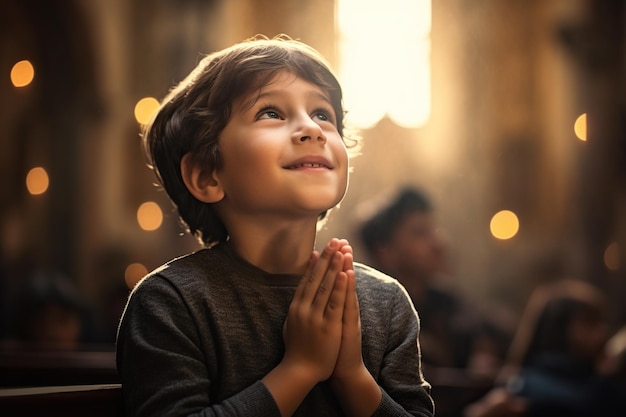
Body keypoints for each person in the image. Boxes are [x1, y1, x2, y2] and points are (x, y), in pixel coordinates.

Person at [116, 35, 434, 417]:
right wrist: (299, 369)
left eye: (322, 114)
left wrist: (352, 376)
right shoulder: (171, 303)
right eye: (271, 113)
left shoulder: (387, 303)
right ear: (206, 175)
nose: (312, 129)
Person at [359, 187, 509, 376]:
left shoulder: (446, 301)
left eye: (433, 230)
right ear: (384, 251)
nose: (438, 243)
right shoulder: (373, 318)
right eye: (420, 233)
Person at [464, 279, 626, 417]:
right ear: (558, 329)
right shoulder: (527, 383)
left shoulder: (597, 376)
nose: (602, 332)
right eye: (589, 323)